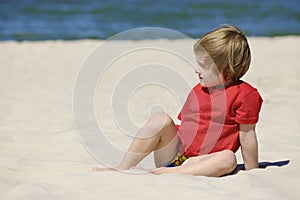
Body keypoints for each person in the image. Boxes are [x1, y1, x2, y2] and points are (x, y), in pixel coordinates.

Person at [93, 25, 263, 177]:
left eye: (204, 66)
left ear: (228, 71)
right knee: (161, 119)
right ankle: (123, 167)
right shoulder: (199, 89)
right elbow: (186, 127)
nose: (197, 70)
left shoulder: (245, 95)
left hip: (201, 163)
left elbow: (247, 135)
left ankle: (167, 173)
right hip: (174, 155)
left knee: (228, 158)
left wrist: (252, 171)